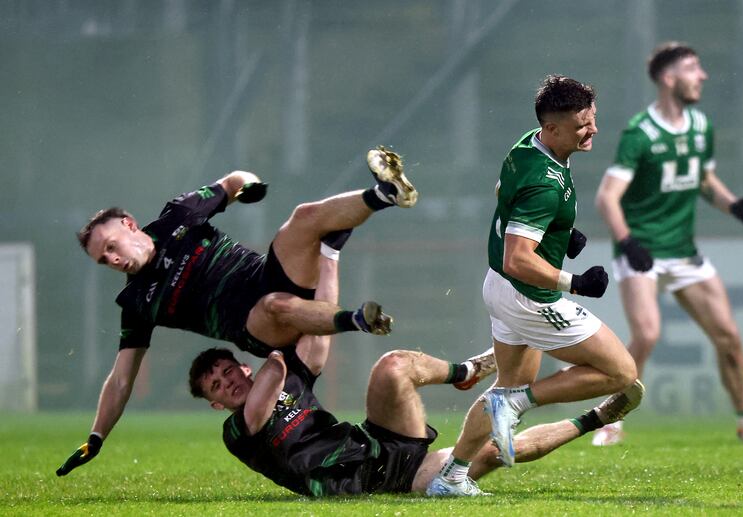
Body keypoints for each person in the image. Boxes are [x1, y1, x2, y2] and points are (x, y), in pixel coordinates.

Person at [56, 146, 417, 476]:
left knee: (303, 217)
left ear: (129, 225)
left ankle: (385, 194)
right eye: (104, 259)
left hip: (269, 276)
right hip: (256, 326)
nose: (112, 259)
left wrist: (250, 185)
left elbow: (233, 181)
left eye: (111, 247)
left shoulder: (177, 215)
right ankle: (356, 319)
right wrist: (97, 435)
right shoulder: (136, 301)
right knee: (274, 307)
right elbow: (121, 379)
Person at [187, 250, 643, 497]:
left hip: (377, 444)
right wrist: (269, 328)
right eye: (218, 386)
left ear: (239, 365)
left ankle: (466, 370)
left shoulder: (282, 367)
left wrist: (330, 250)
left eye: (227, 371)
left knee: (393, 366)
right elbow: (266, 388)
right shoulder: (238, 427)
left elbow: (321, 325)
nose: (227, 382)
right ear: (216, 404)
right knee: (491, 451)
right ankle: (598, 417)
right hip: (372, 482)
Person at [426, 75, 643, 497]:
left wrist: (561, 229)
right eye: (583, 125)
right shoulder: (545, 183)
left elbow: (504, 191)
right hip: (528, 294)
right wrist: (574, 282)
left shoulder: (528, 143)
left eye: (593, 119)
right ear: (554, 128)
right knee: (621, 372)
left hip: (500, 288)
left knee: (505, 387)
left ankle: (451, 476)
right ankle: (516, 405)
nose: (593, 129)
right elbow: (519, 258)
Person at [592, 42, 743, 445]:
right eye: (693, 68)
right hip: (642, 251)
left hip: (683, 252)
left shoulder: (700, 126)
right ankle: (609, 422)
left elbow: (704, 181)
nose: (703, 76)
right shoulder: (639, 133)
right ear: (667, 78)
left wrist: (734, 206)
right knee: (648, 335)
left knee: (729, 335)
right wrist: (627, 242)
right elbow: (607, 197)